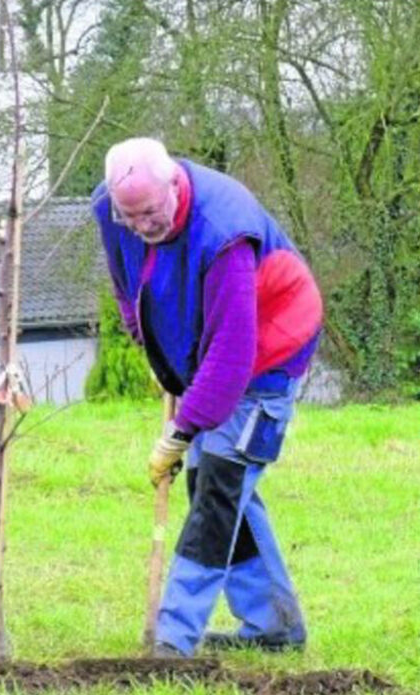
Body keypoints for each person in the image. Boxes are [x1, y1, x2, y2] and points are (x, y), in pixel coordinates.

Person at [92, 137, 323, 657]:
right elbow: (129, 287)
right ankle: (274, 627)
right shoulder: (114, 209)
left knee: (217, 491)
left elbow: (233, 355)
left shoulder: (225, 233)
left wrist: (179, 433)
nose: (141, 227)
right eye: (129, 218)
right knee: (222, 487)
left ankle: (172, 642)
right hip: (211, 345)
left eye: (150, 213)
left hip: (268, 349)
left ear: (175, 184)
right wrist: (157, 354)